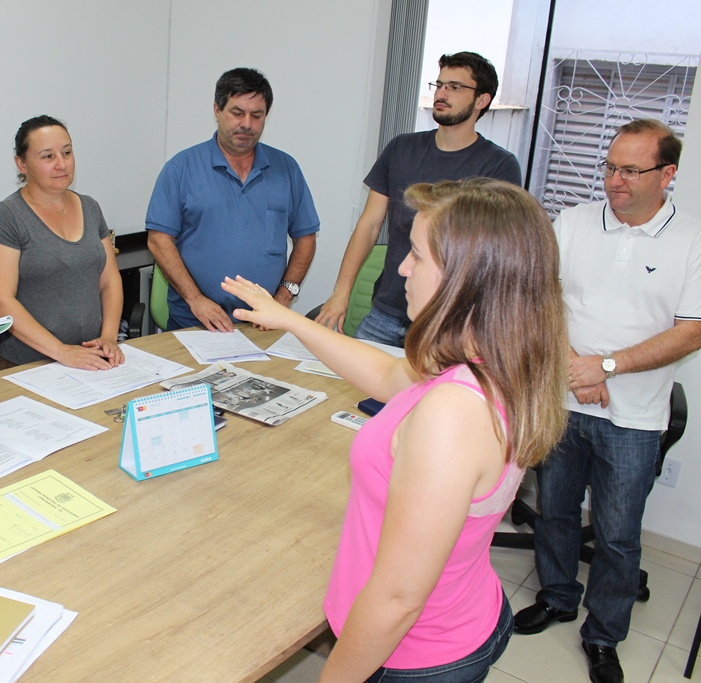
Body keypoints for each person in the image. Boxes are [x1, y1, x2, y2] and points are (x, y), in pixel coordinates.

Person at [222, 178, 569, 682]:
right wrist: (292, 321)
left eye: (417, 256)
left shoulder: (452, 414)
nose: (402, 268)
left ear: (466, 279)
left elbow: (398, 598)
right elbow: (387, 375)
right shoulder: (491, 362)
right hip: (469, 609)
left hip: (415, 655)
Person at [513, 119, 701, 683]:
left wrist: (605, 366)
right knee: (555, 511)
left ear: (667, 174)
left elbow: (690, 333)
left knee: (618, 535)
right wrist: (577, 370)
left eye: (631, 170)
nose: (614, 180)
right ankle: (558, 597)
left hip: (635, 417)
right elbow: (540, 298)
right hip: (564, 402)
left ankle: (603, 635)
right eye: (609, 167)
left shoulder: (695, 240)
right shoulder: (574, 223)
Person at [316, 52, 521, 347]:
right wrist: (341, 293)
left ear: (481, 100)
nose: (441, 94)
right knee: (350, 376)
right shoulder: (401, 148)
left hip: (448, 323)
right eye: (439, 85)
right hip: (386, 313)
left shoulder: (499, 166)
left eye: (455, 87)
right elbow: (370, 225)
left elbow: (495, 254)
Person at [145, 67, 320, 332]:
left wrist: (284, 298)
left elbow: (306, 238)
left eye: (256, 115)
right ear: (217, 110)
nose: (246, 124)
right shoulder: (182, 168)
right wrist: (195, 299)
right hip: (196, 323)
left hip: (263, 324)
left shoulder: (286, 169)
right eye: (237, 113)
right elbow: (158, 240)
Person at [0, 115, 124, 371]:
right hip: (29, 362)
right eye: (48, 156)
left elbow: (109, 281)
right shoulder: (7, 215)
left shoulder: (90, 207)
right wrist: (61, 351)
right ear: (21, 164)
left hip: (90, 355)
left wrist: (109, 338)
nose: (61, 164)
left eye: (66, 153)